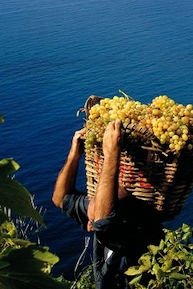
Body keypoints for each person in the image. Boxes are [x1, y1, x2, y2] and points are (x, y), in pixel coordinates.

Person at [53, 119, 164, 289]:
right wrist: (74, 154)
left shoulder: (138, 237)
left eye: (95, 205)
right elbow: (60, 199)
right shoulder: (101, 214)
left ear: (120, 217)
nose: (89, 221)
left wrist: (112, 154)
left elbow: (102, 219)